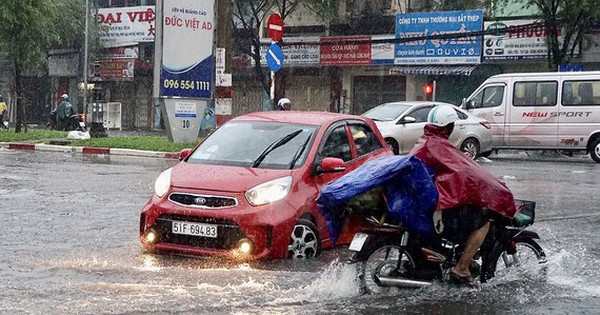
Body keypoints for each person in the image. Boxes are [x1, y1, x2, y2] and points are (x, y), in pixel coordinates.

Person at [409, 105, 517, 287]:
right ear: (449, 127)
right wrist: (493, 189)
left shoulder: (426, 142)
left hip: (427, 203)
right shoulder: (438, 146)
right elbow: (467, 174)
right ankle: (462, 267)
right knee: (482, 222)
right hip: (438, 209)